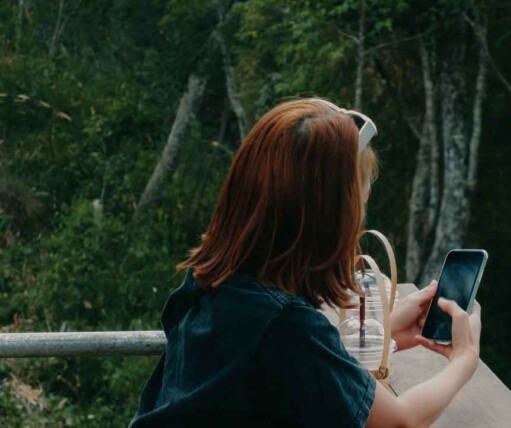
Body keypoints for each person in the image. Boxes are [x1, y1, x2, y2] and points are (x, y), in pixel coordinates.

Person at [129, 98, 482, 428]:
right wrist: (464, 359)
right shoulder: (287, 325)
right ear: (327, 221)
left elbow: (277, 366)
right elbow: (398, 422)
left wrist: (386, 335)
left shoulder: (212, 281)